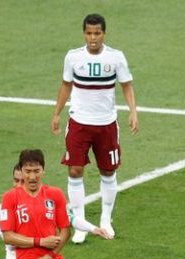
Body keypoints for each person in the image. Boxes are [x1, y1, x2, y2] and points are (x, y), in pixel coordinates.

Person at [51, 13, 139, 244]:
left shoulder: (115, 57)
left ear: (104, 34)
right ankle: (80, 223)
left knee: (108, 172)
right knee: (74, 171)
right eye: (89, 33)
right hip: (79, 123)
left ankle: (105, 219)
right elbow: (66, 85)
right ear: (84, 33)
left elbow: (127, 86)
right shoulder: (73, 57)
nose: (93, 38)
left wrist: (133, 111)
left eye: (97, 33)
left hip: (106, 124)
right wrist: (57, 113)